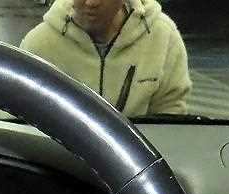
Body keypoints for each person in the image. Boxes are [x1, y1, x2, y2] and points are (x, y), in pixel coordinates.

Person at [21, 0, 191, 117]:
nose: (91, 3)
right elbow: (23, 118)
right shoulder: (38, 45)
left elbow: (171, 117)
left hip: (141, 158)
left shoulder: (162, 36)